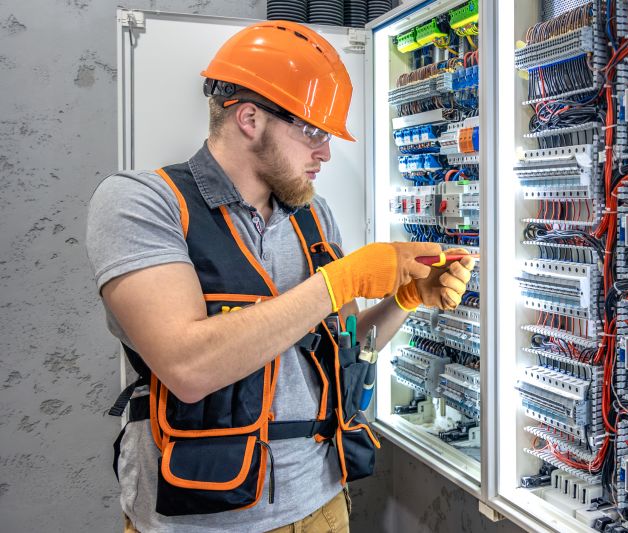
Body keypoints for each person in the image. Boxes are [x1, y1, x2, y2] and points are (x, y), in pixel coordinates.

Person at [85, 20, 474, 533]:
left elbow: (346, 346)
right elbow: (187, 366)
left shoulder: (315, 218)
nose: (326, 153)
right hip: (201, 522)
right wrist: (341, 281)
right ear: (249, 118)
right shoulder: (143, 203)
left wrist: (404, 298)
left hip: (320, 504)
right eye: (314, 131)